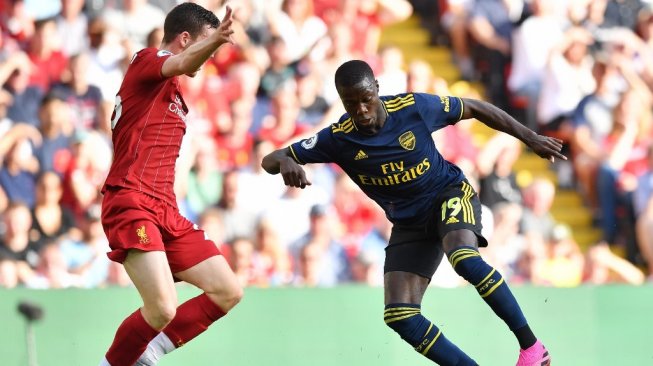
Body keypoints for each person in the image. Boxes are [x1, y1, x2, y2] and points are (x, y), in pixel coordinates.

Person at [262, 59, 564, 366]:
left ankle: (532, 348)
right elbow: (269, 160)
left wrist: (531, 138)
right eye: (351, 104)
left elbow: (475, 107)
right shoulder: (338, 138)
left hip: (448, 194)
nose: (362, 110)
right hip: (409, 223)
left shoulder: (413, 108)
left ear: (377, 89)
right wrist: (287, 160)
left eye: (366, 99)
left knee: (463, 259)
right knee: (399, 314)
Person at [98, 4, 242, 366]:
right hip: (131, 199)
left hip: (165, 208)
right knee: (162, 306)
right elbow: (182, 62)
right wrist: (217, 41)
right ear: (185, 39)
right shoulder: (147, 60)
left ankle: (150, 352)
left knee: (227, 290)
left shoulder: (172, 92)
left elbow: (184, 67)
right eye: (206, 46)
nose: (209, 57)